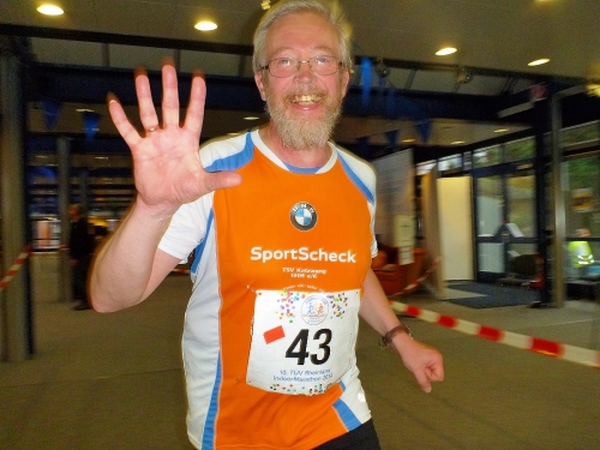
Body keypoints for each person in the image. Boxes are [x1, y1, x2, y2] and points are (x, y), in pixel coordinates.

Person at [90, 1, 444, 448]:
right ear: (261, 81)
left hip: (338, 415)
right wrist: (151, 209)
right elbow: (109, 297)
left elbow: (356, 271)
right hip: (237, 429)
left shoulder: (360, 179)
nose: (305, 77)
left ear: (343, 79)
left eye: (322, 60)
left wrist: (400, 338)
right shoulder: (213, 169)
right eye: (285, 61)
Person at [68, 203, 94, 310]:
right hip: (85, 255)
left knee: (79, 279)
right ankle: (85, 299)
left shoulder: (80, 225)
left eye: (71, 210)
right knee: (82, 278)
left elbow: (79, 242)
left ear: (76, 212)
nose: (69, 212)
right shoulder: (83, 224)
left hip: (82, 256)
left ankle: (85, 301)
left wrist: (75, 257)